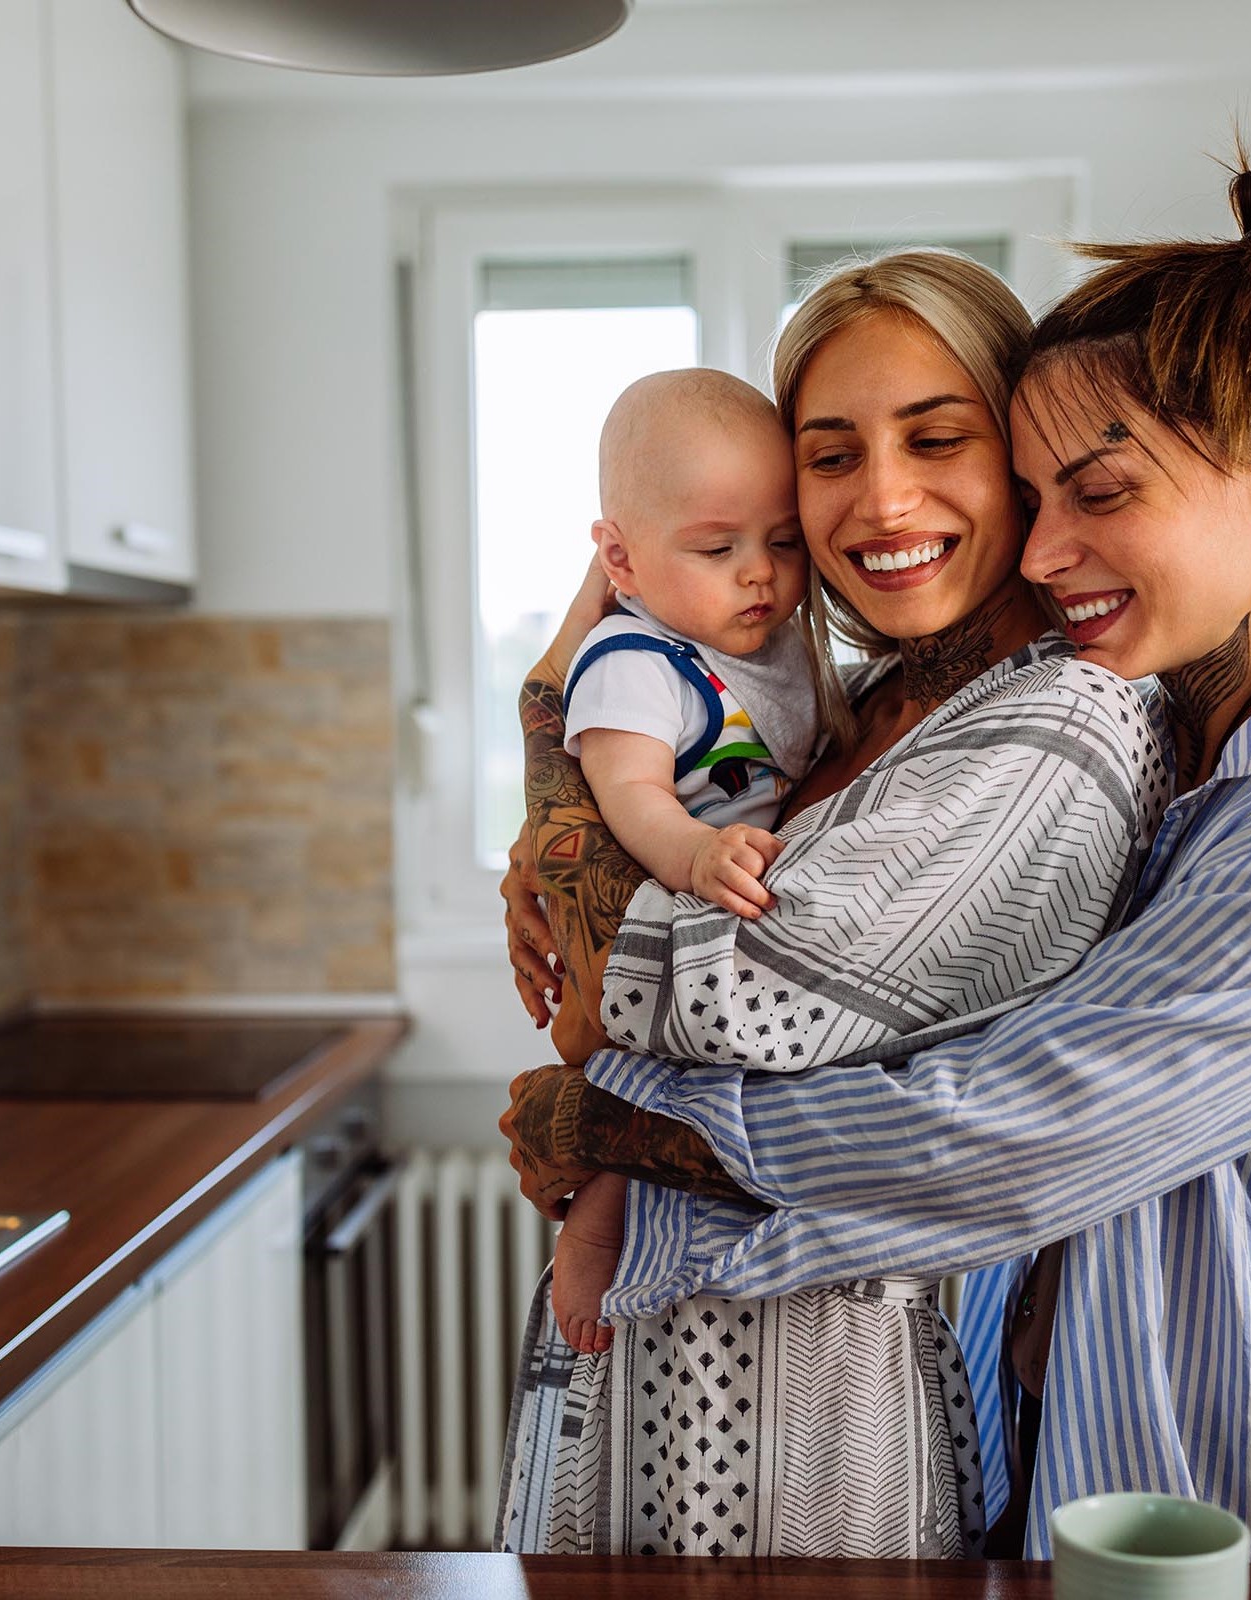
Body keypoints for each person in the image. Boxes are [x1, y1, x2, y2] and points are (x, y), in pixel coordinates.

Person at [500, 141, 1251, 1600]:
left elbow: (1003, 1132)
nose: (1045, 546)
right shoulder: (1193, 761)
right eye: (1036, 495)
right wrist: (575, 782)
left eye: (1096, 492)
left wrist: (616, 1125)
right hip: (1079, 1501)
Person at [498, 248, 1168, 1559]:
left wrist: (543, 729)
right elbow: (624, 945)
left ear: (1018, 456)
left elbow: (704, 997)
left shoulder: (1055, 724)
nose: (881, 498)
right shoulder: (851, 706)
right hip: (660, 1362)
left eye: (937, 437)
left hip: (801, 1416)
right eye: (830, 454)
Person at [548, 367, 827, 1355]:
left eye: (782, 541)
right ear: (620, 558)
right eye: (717, 547)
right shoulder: (637, 660)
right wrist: (696, 851)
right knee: (638, 1089)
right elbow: (629, 796)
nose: (760, 572)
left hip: (745, 924)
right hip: (665, 920)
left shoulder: (779, 640)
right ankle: (594, 1217)